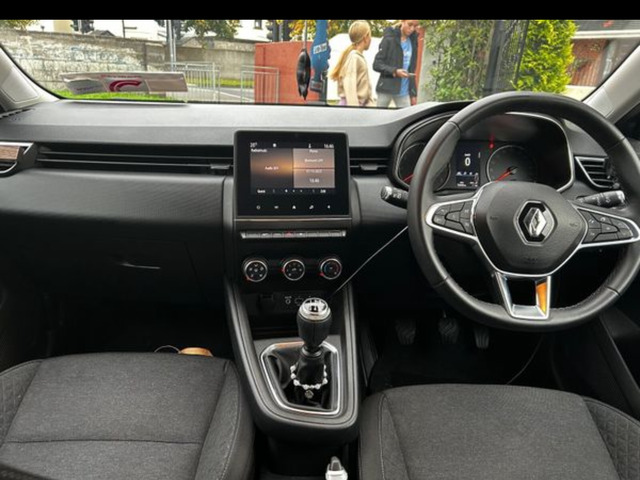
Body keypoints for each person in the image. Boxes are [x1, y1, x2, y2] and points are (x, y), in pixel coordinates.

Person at [373, 20, 420, 108]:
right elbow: (377, 64)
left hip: (404, 91)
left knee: (407, 116)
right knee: (379, 114)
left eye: (415, 26)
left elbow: (412, 69)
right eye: (410, 25)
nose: (412, 29)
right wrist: (395, 71)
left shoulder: (413, 40)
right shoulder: (389, 38)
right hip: (386, 88)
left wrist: (413, 93)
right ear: (402, 21)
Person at [329, 20, 374, 107]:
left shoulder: (357, 57)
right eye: (370, 36)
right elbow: (349, 86)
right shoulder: (354, 58)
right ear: (365, 37)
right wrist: (353, 110)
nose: (370, 39)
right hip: (351, 107)